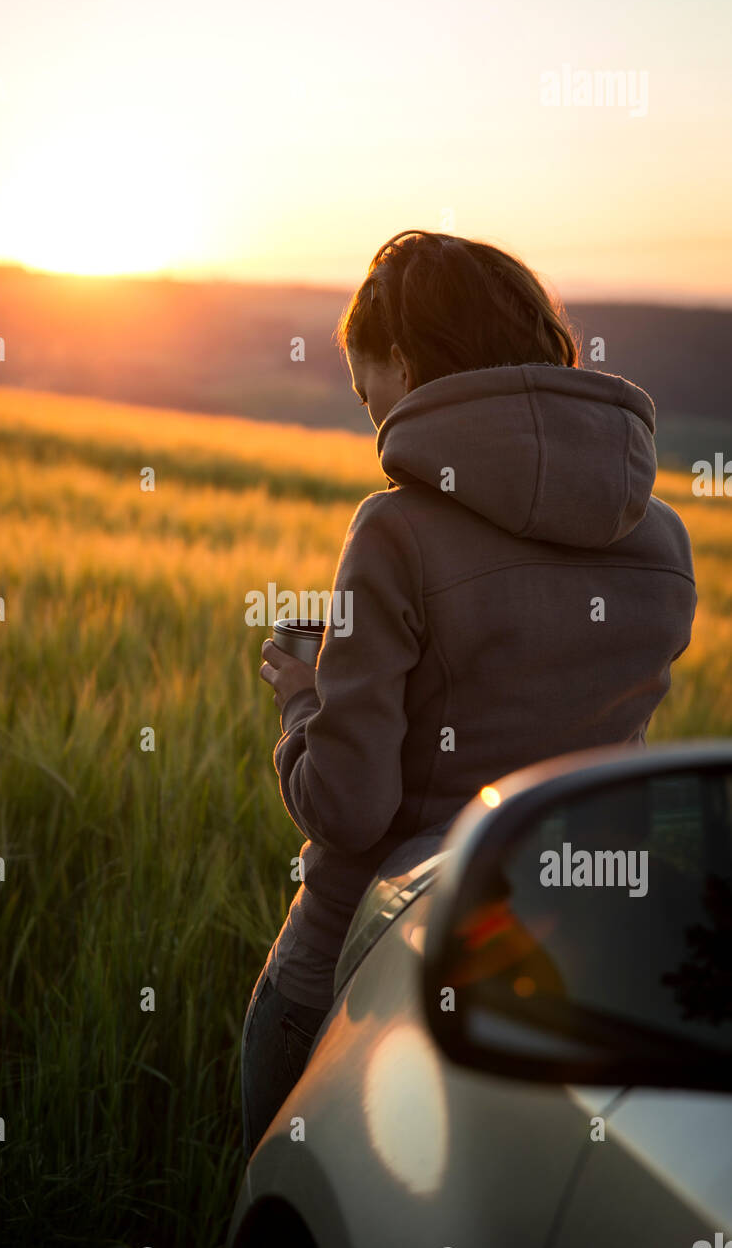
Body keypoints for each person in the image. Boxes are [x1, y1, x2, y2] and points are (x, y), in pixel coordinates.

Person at [240, 228, 697, 1159]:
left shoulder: (396, 530)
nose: (371, 417)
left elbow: (350, 807)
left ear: (403, 363)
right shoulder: (665, 542)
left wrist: (300, 699)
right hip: (556, 983)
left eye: (368, 386)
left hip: (356, 973)